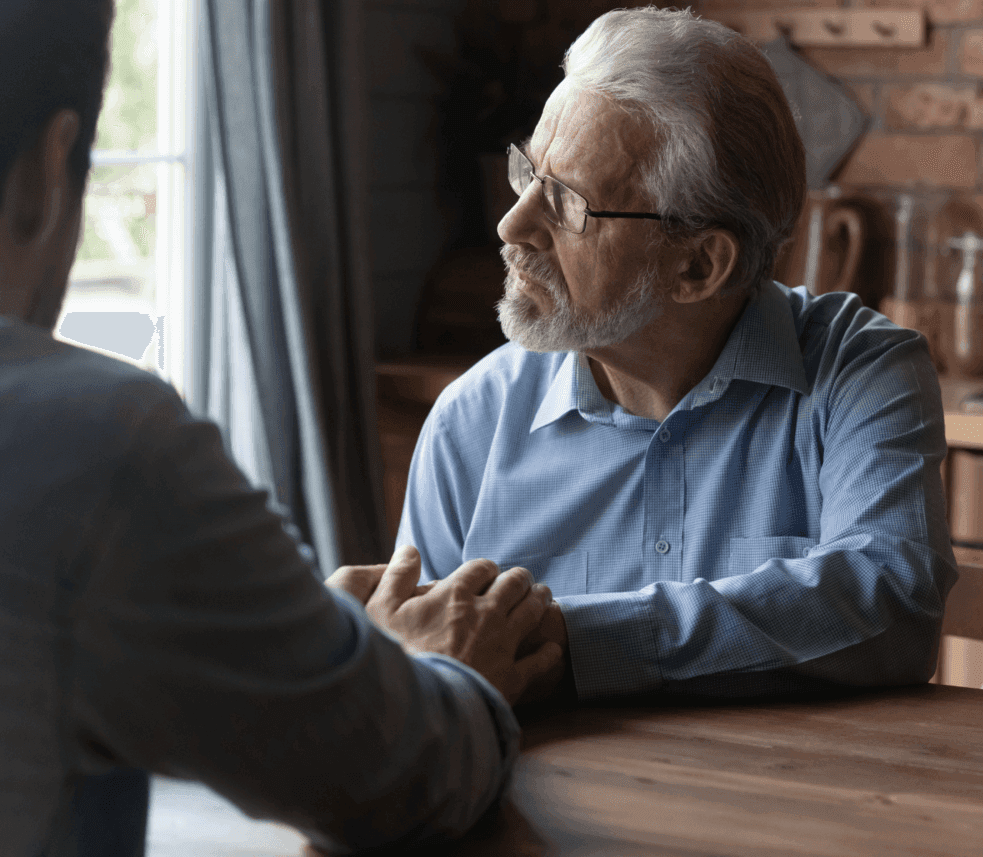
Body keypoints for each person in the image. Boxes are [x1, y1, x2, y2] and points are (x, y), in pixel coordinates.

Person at [0, 2, 562, 855]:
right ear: (46, 170)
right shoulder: (96, 444)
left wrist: (304, 648)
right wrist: (442, 672)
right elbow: (401, 775)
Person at [398, 6, 958, 702]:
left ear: (698, 267)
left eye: (566, 202)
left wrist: (570, 639)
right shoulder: (470, 425)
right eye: (526, 173)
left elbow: (893, 606)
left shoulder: (861, 373)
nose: (512, 224)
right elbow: (425, 683)